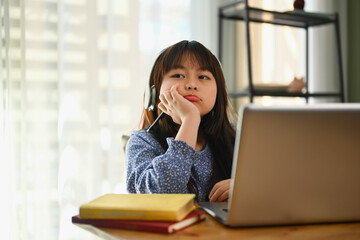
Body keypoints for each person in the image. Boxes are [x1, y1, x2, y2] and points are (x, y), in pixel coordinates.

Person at [126, 40, 236, 202]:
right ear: (155, 92)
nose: (192, 85)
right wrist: (190, 120)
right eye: (178, 75)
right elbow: (163, 195)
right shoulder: (142, 142)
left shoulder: (235, 137)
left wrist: (245, 188)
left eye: (203, 77)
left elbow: (273, 184)